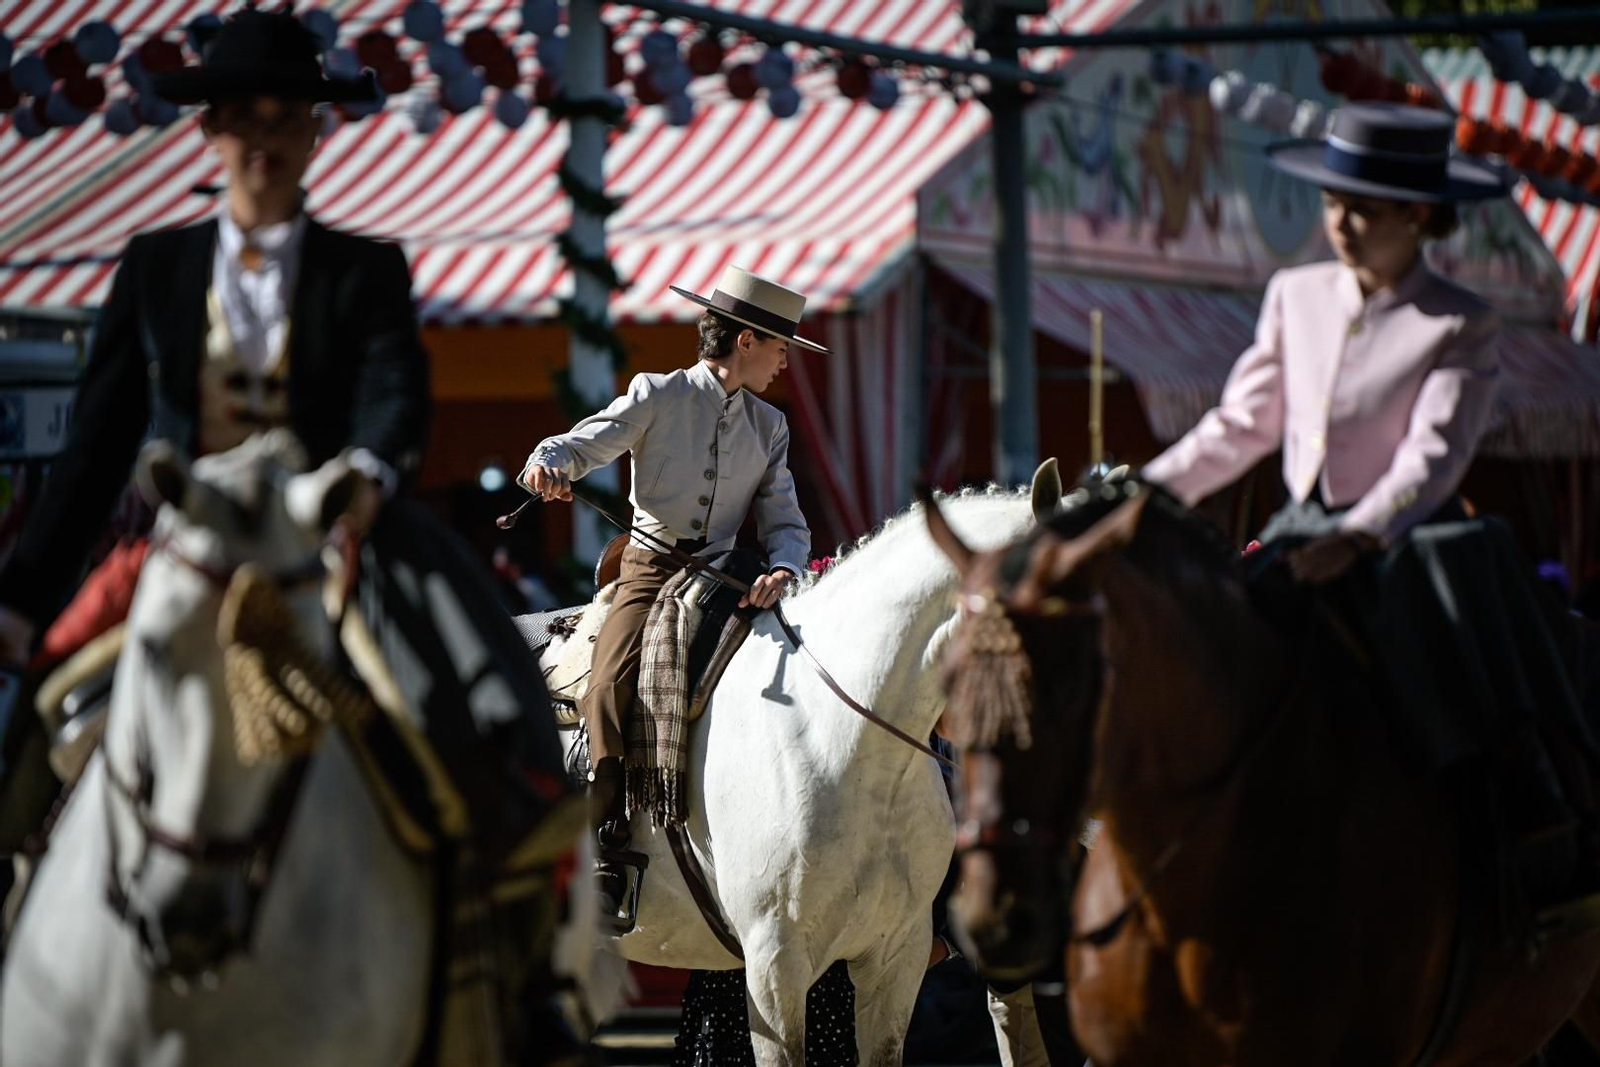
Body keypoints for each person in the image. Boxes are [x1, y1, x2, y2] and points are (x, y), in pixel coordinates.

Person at [0, 7, 576, 911]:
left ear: (314, 132)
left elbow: (395, 392)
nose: (263, 139)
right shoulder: (155, 267)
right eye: (244, 117)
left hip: (325, 538)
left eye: (283, 118)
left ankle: (512, 883)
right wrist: (22, 598)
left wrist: (368, 473)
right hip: (187, 541)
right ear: (211, 129)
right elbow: (97, 445)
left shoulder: (366, 268)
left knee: (464, 664)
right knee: (46, 689)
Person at [1143, 102, 1600, 934]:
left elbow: (1433, 456)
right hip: (1300, 524)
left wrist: (1360, 535)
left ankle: (1530, 821)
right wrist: (1144, 491)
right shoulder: (1295, 294)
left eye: (1364, 209)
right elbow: (1240, 424)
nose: (1341, 223)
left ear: (1418, 215)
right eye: (1332, 203)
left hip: (1409, 535)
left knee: (1465, 649)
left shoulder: (1461, 320)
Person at [521, 265, 820, 925]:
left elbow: (786, 522)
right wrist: (549, 463)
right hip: (650, 569)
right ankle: (605, 836)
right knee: (608, 684)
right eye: (780, 347)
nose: (784, 362)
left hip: (727, 574)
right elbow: (581, 442)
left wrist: (785, 568)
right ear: (746, 339)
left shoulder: (771, 426)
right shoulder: (656, 392)